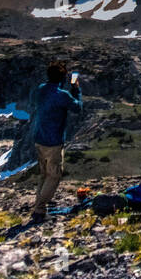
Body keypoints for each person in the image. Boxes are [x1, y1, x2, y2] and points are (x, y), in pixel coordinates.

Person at [30, 61, 82, 223]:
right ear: (63, 78)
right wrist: (76, 89)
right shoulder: (62, 95)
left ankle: (39, 207)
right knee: (54, 175)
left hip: (39, 137)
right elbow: (77, 108)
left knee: (44, 174)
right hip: (53, 141)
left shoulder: (40, 89)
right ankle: (39, 210)